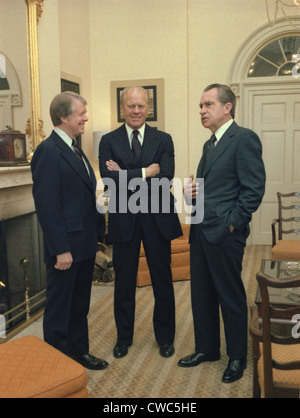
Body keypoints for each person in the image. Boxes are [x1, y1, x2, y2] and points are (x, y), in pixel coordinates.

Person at [178, 84, 265, 383]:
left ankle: (237, 356)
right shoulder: (209, 144)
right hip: (201, 231)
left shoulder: (243, 139)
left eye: (208, 105)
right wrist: (191, 195)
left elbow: (253, 189)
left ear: (228, 107)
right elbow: (210, 190)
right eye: (200, 106)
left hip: (225, 233)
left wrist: (233, 222)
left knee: (230, 295)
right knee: (201, 293)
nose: (201, 110)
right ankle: (207, 348)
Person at [99, 86, 182, 358]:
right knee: (123, 282)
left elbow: (166, 177)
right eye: (131, 106)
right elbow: (109, 180)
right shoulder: (108, 141)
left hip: (157, 217)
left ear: (148, 108)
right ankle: (124, 338)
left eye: (141, 106)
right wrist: (147, 171)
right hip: (124, 220)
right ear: (122, 108)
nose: (136, 111)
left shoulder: (164, 139)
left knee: (162, 279)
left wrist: (127, 174)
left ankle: (166, 337)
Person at [31, 91, 108, 371]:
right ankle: (56, 368)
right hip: (65, 249)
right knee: (59, 310)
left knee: (79, 306)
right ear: (64, 117)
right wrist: (60, 248)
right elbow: (48, 206)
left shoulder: (75, 148)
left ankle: (79, 354)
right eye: (81, 113)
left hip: (84, 245)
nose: (86, 117)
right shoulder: (48, 151)